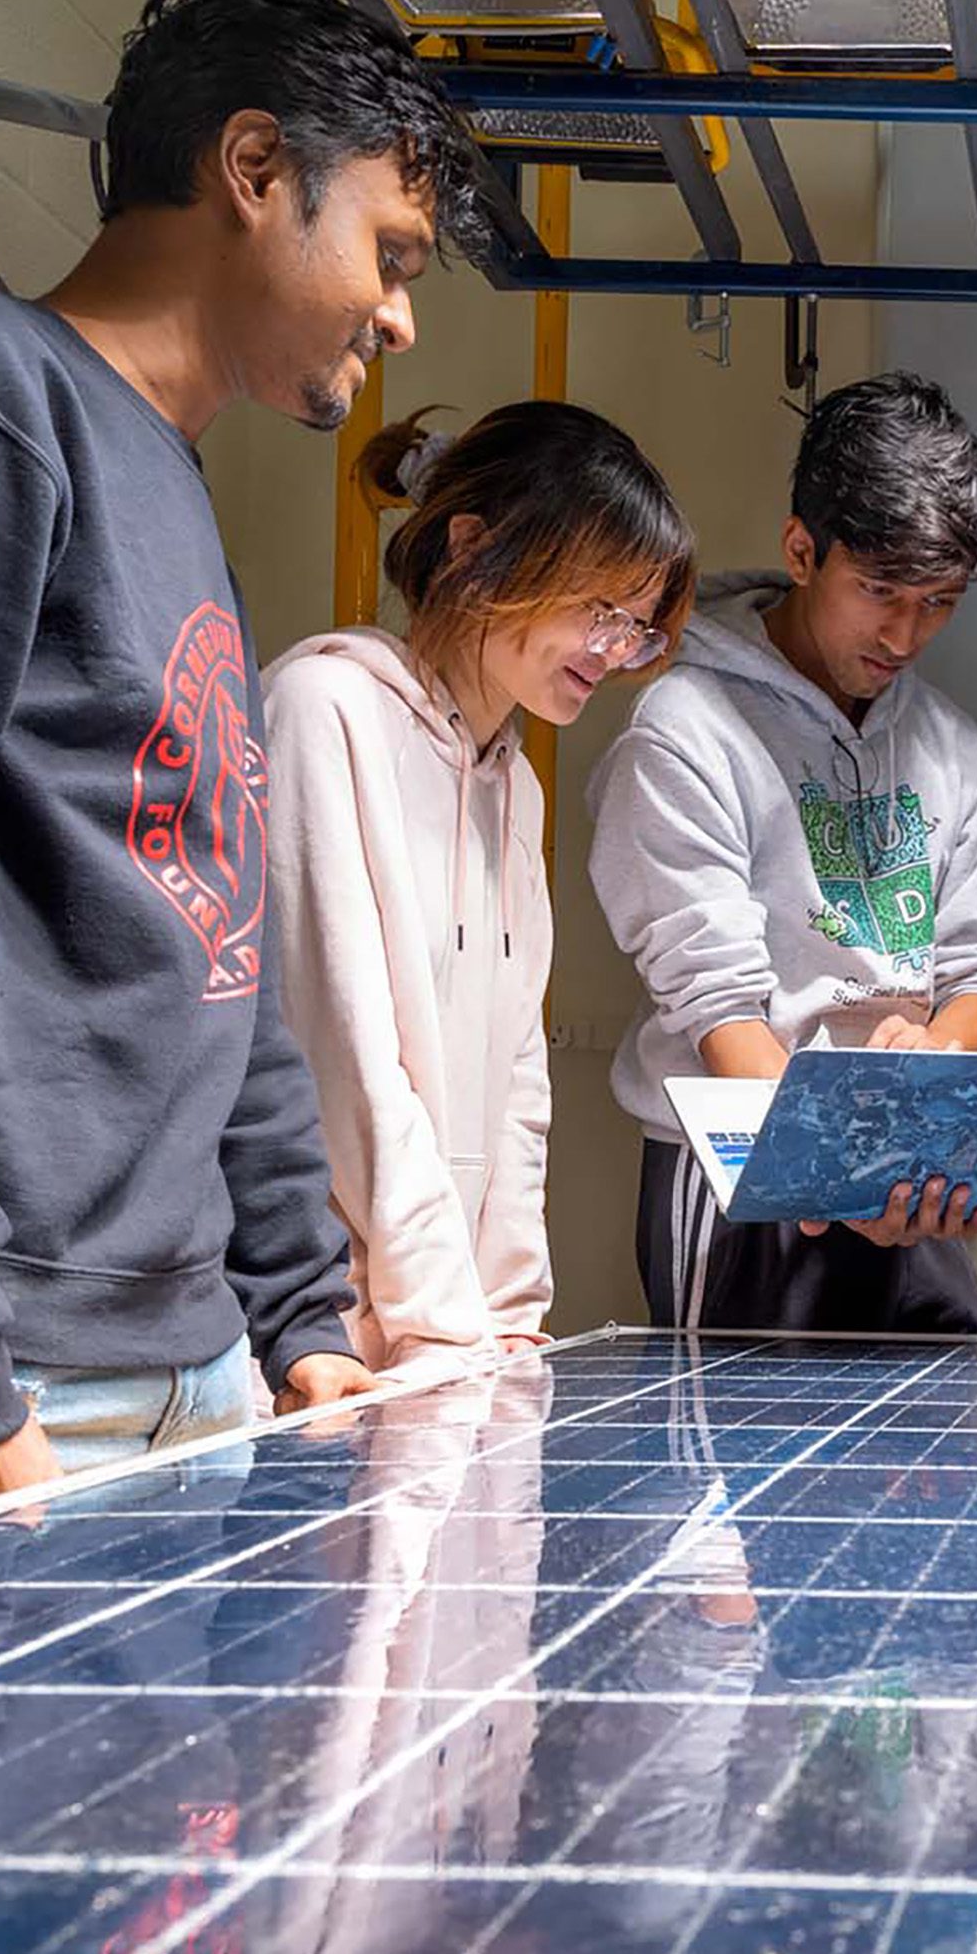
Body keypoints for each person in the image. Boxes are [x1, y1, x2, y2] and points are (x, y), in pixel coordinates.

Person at [0, 0, 482, 1480]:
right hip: (20, 1379)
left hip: (206, 1367)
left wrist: (301, 1308)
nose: (401, 312)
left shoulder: (178, 494)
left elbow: (220, 943)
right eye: (390, 251)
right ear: (252, 169)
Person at [587, 371, 977, 1336]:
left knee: (943, 1466)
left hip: (912, 1177)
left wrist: (938, 1058)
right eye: (878, 591)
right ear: (802, 549)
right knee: (750, 1476)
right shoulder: (684, 731)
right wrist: (840, 1163)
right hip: (743, 1170)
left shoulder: (955, 750)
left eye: (939, 601)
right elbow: (716, 1003)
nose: (905, 633)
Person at [261, 404, 694, 1378]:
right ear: (472, 549)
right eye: (598, 608)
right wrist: (442, 1327)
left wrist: (508, 1320)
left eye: (633, 625)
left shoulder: (516, 783)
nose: (612, 649)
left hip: (442, 1337)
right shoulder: (322, 710)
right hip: (316, 1329)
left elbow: (516, 1086)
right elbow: (348, 1063)